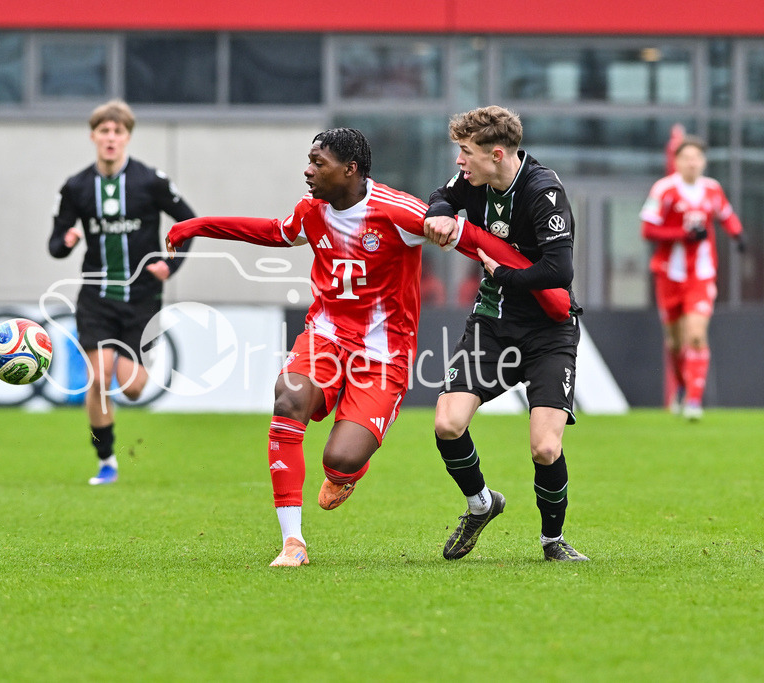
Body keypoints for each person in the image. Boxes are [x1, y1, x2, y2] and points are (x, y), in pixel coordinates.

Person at [166, 127, 572, 567]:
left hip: (382, 357)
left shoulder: (398, 212)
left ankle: (347, 473)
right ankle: (292, 542)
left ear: (350, 169)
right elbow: (271, 232)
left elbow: (473, 239)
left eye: (318, 162)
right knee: (288, 397)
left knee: (339, 460)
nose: (308, 170)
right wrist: (199, 225)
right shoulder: (311, 211)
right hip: (324, 336)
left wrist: (550, 294)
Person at [423, 105, 588, 562]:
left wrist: (506, 275)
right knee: (447, 423)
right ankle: (480, 503)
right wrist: (439, 212)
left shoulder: (543, 191)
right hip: (492, 325)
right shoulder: (473, 181)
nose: (459, 161)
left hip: (549, 332)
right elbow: (443, 194)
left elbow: (560, 269)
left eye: (465, 152)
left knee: (545, 447)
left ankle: (552, 542)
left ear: (496, 154)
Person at [48, 99, 197, 485]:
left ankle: (113, 431)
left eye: (118, 132)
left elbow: (189, 223)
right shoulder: (77, 186)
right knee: (99, 378)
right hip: (96, 296)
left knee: (132, 388)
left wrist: (171, 263)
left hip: (142, 298)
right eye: (104, 132)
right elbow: (54, 244)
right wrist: (66, 241)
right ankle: (106, 460)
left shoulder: (150, 181)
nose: (110, 139)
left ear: (127, 137)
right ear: (93, 136)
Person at [641, 130, 745, 420]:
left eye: (697, 158)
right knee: (675, 342)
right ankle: (683, 389)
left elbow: (726, 215)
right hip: (669, 275)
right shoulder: (663, 190)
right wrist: (682, 235)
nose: (692, 163)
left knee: (696, 335)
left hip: (701, 275)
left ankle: (694, 402)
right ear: (677, 161)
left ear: (704, 162)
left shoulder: (712, 189)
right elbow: (648, 230)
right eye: (686, 158)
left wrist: (739, 236)